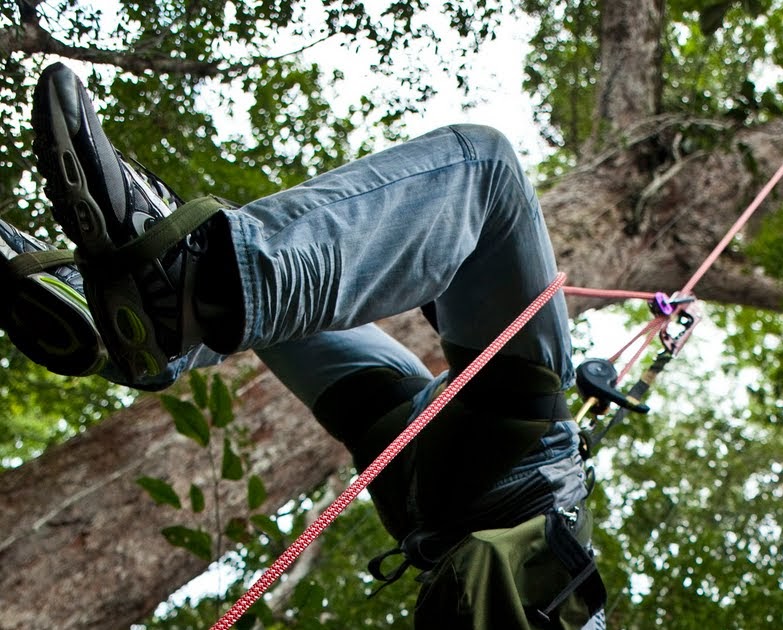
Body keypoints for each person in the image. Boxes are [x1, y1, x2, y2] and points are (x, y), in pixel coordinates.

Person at [2, 62, 606, 629]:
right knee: (266, 291)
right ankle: (127, 319)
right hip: (425, 501)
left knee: (488, 170)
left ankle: (176, 296)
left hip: (518, 476)